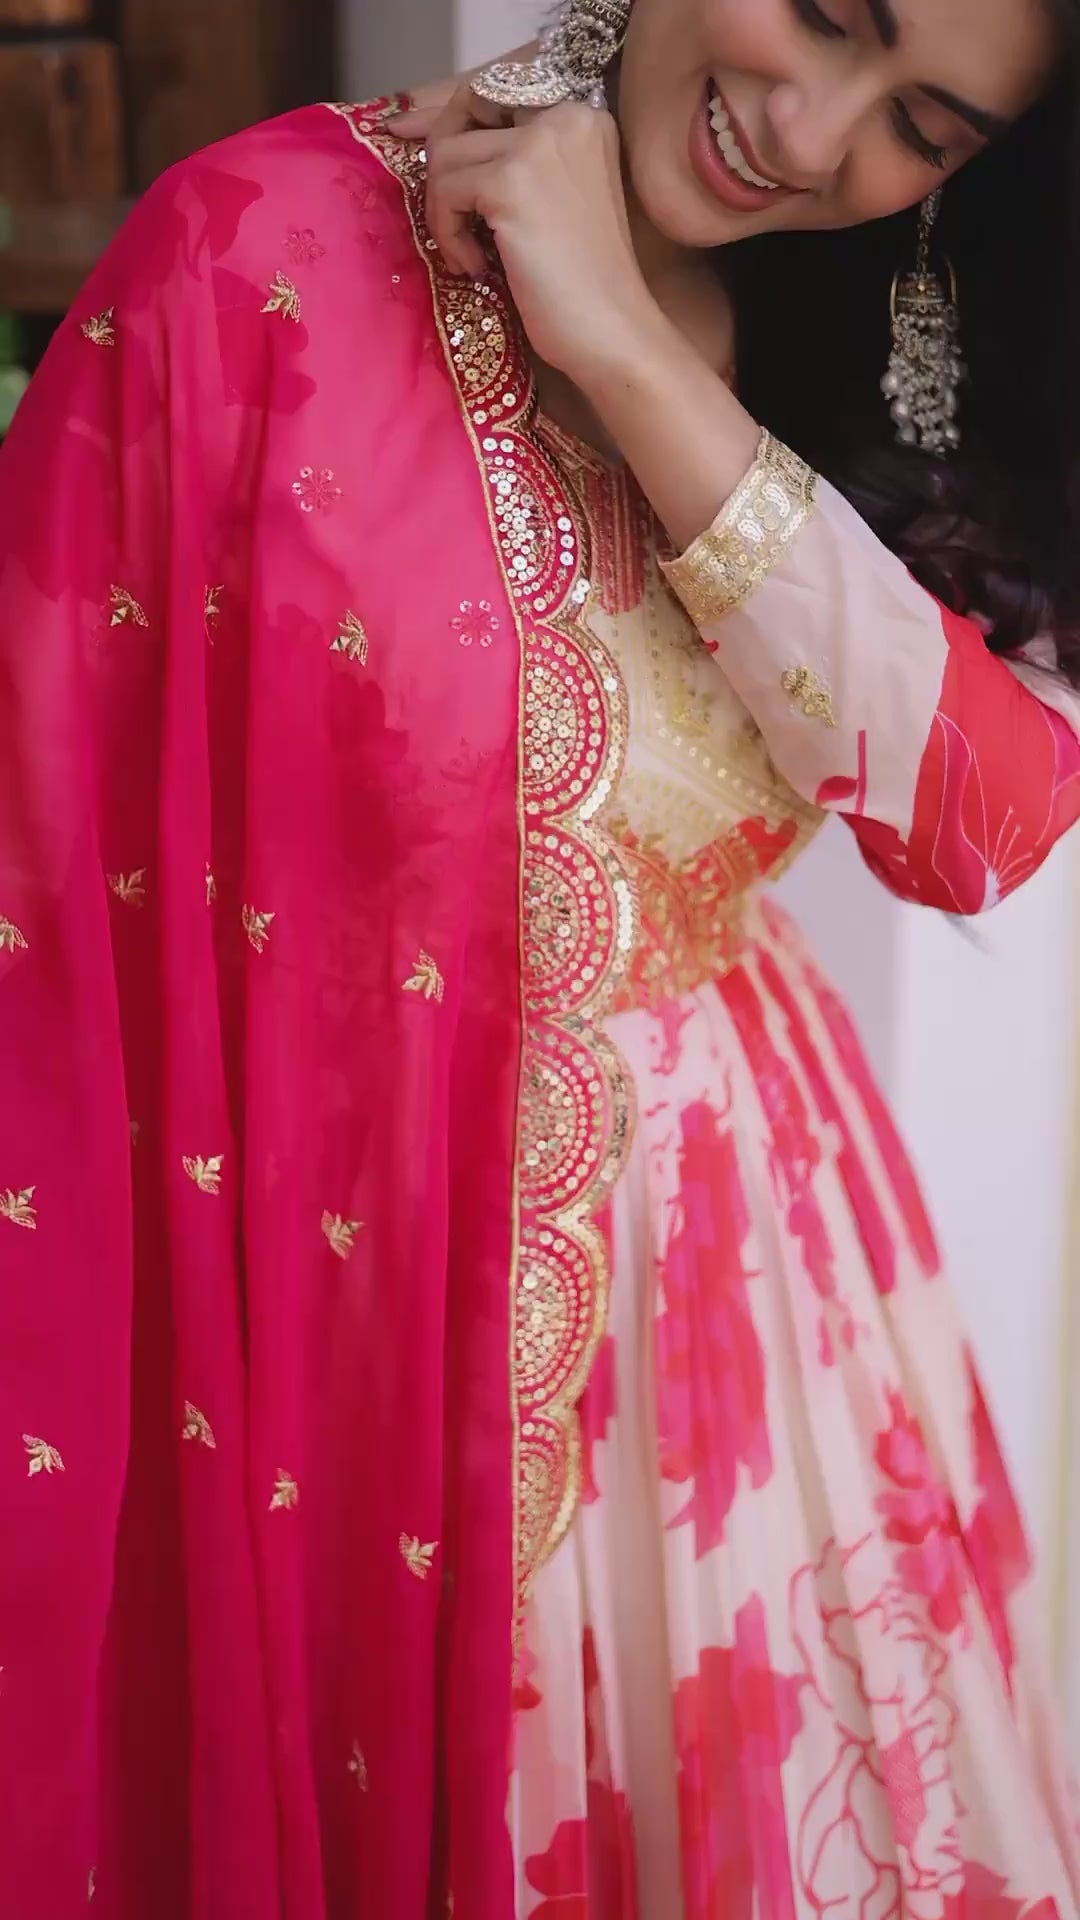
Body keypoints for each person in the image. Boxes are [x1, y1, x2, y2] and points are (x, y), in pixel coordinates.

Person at [1, 0, 1079, 1911]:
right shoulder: (252, 258)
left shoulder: (854, 345)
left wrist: (624, 348)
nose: (809, 131)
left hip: (743, 1318)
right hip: (344, 1304)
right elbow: (46, 902)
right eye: (824, 12)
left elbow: (979, 823)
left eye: (921, 127)